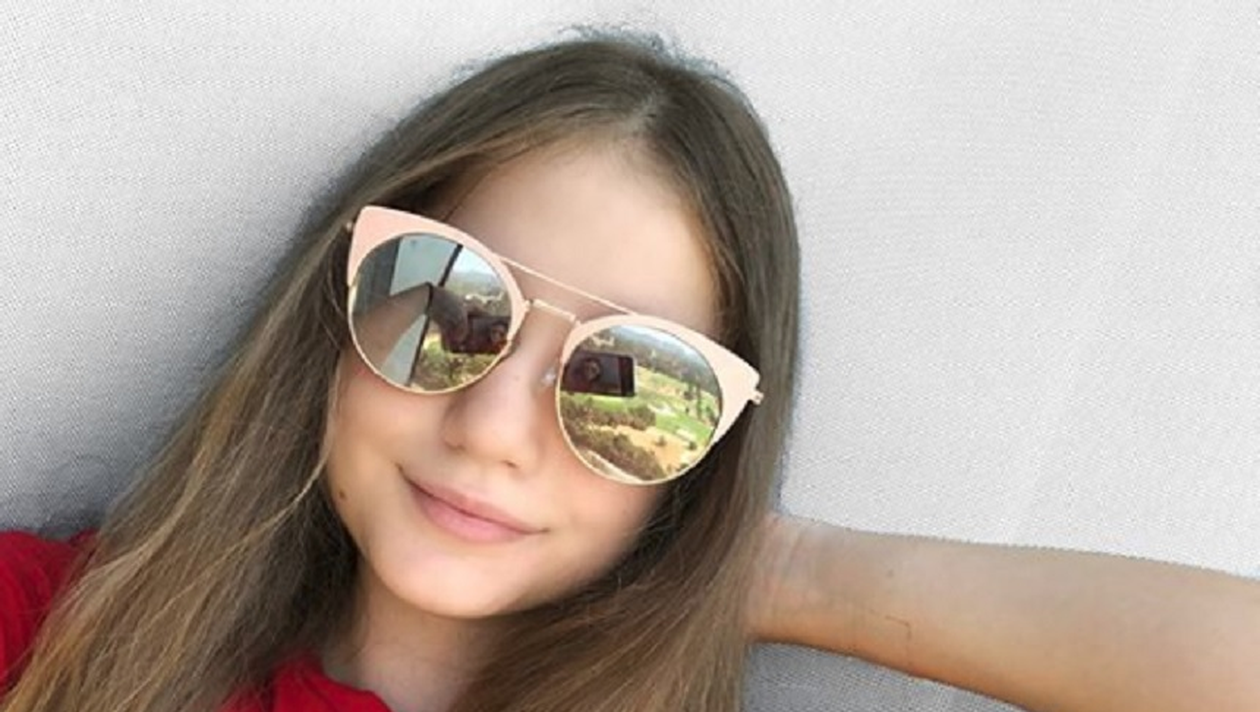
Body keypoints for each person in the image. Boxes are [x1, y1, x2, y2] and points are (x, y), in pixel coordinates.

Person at [1, 30, 1257, 712]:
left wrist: (775, 568)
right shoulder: (43, 635)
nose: (495, 427)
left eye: (636, 384)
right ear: (334, 307)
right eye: (446, 301)